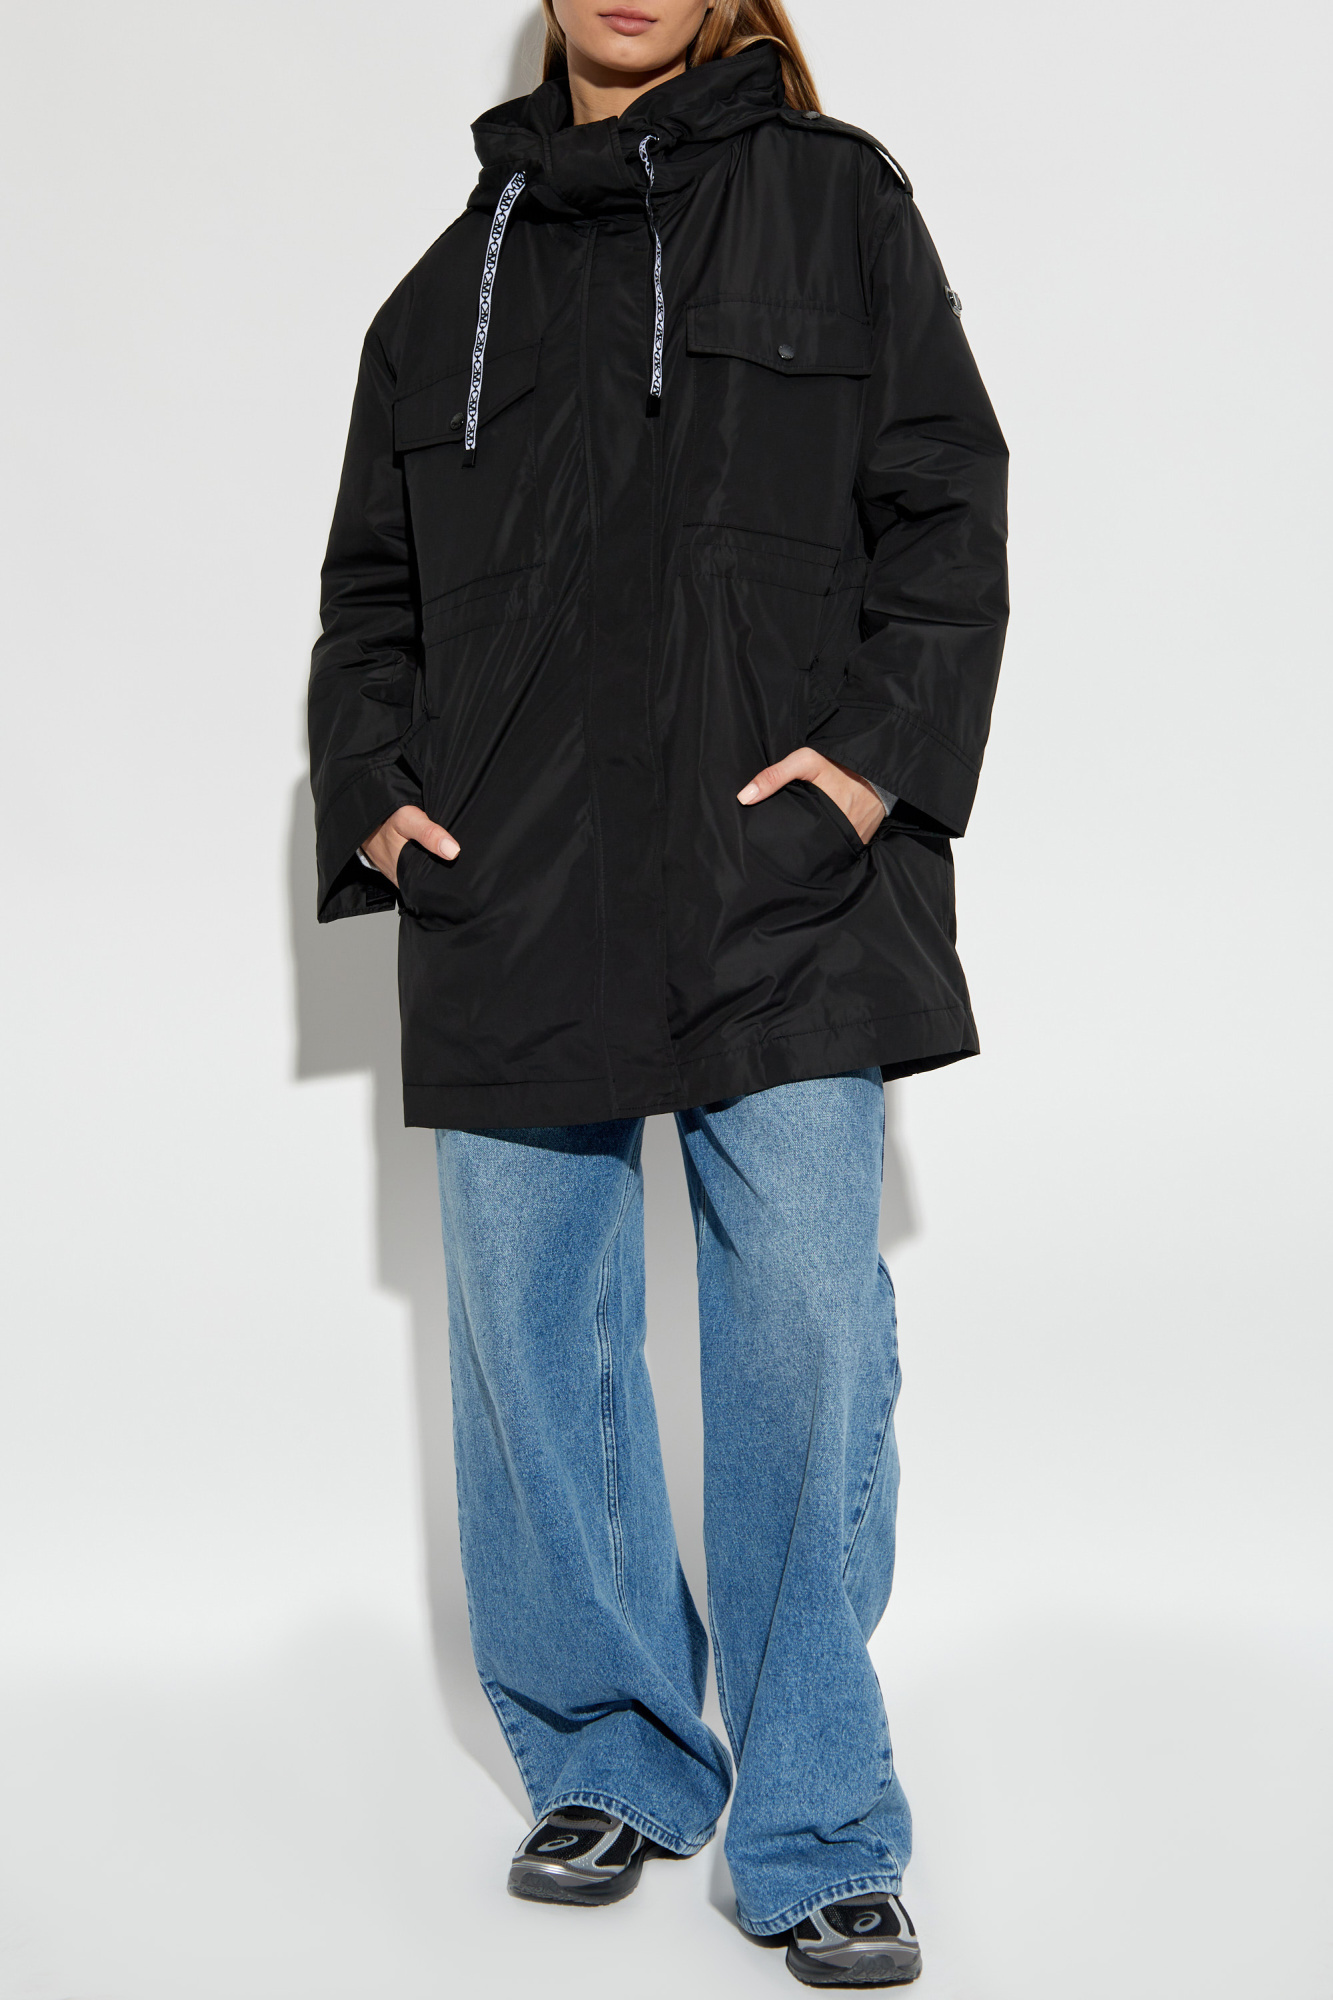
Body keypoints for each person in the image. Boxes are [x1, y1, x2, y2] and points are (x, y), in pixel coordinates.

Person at [308, 0, 1007, 1983]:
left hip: (778, 881)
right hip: (510, 883)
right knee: (531, 1343)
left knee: (802, 1322)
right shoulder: (441, 289)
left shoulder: (835, 201)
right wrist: (379, 801)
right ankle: (610, 1748)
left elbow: (945, 502)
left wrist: (868, 768)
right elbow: (371, 597)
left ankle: (815, 1813)